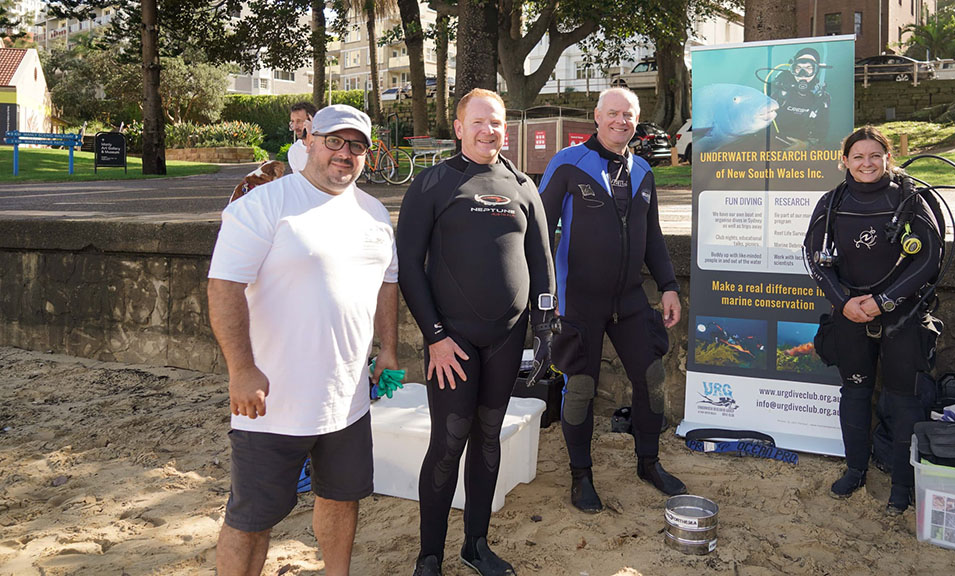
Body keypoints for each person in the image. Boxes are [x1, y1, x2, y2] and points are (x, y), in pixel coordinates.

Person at [207, 104, 399, 576]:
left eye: (357, 145)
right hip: (271, 402)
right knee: (252, 518)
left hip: (347, 401)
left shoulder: (375, 213)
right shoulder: (263, 205)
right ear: (309, 140)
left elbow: (387, 283)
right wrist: (241, 369)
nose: (345, 153)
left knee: (341, 499)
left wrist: (389, 349)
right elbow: (223, 287)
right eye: (335, 140)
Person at [397, 88, 555, 576]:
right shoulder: (432, 184)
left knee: (489, 439)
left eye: (498, 122)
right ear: (459, 127)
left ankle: (476, 546)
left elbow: (542, 264)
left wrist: (546, 327)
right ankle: (429, 557)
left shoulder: (524, 185)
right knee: (448, 442)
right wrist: (435, 335)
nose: (490, 131)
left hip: (508, 338)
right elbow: (407, 267)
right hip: (453, 342)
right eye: (480, 122)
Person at [537, 87, 686, 514]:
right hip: (578, 300)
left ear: (636, 122)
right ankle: (581, 476)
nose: (622, 121)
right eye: (614, 113)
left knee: (652, 377)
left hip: (630, 299)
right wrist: (546, 297)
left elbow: (653, 237)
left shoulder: (643, 171)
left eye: (629, 115)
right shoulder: (568, 164)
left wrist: (669, 285)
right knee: (581, 386)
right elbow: (541, 232)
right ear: (597, 118)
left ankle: (649, 463)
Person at [804, 126, 942, 515]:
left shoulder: (910, 200)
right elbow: (813, 256)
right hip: (850, 314)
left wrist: (883, 301)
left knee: (903, 398)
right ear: (844, 160)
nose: (866, 164)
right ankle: (855, 470)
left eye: (874, 156)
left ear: (887, 158)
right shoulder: (832, 203)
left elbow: (929, 259)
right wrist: (842, 302)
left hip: (902, 315)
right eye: (858, 156)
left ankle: (902, 484)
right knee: (855, 391)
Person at [772, 47, 831, 148]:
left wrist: (805, 145)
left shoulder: (821, 98)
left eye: (809, 68)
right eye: (798, 68)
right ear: (792, 69)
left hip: (800, 150)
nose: (803, 74)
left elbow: (821, 132)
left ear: (816, 70)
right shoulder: (777, 88)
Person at [288, 101, 317, 173]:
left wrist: (311, 134)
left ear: (311, 120)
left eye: (299, 121)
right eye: (293, 121)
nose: (295, 127)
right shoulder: (294, 151)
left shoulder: (327, 147)